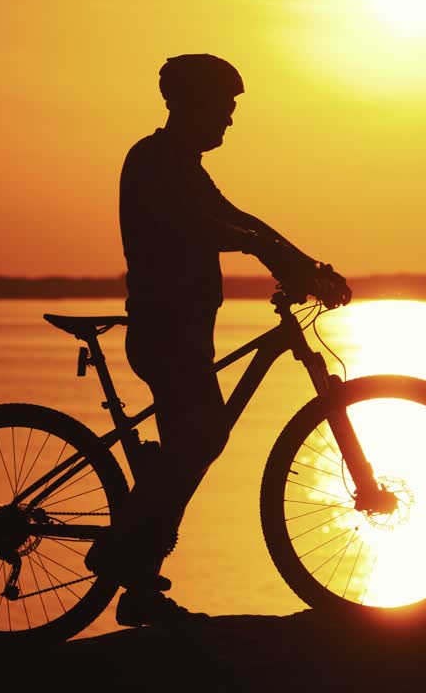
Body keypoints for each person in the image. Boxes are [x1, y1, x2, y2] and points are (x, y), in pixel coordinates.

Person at [84, 53, 350, 626]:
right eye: (223, 107)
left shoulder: (188, 168)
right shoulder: (152, 160)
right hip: (163, 333)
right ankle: (122, 551)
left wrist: (309, 265)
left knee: (195, 445)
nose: (229, 120)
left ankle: (138, 581)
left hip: (187, 334)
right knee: (201, 438)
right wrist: (262, 250)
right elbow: (193, 228)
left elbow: (243, 219)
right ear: (190, 103)